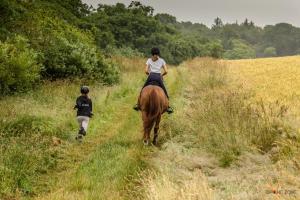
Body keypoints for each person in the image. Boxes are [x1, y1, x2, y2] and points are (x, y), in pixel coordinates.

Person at [133, 47, 173, 114]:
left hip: (151, 76)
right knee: (165, 90)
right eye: (157, 54)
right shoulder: (162, 60)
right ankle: (168, 107)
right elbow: (166, 71)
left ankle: (138, 104)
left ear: (152, 54)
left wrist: (149, 74)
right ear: (158, 54)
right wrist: (161, 75)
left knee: (142, 89)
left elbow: (145, 71)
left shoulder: (149, 60)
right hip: (158, 77)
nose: (157, 56)